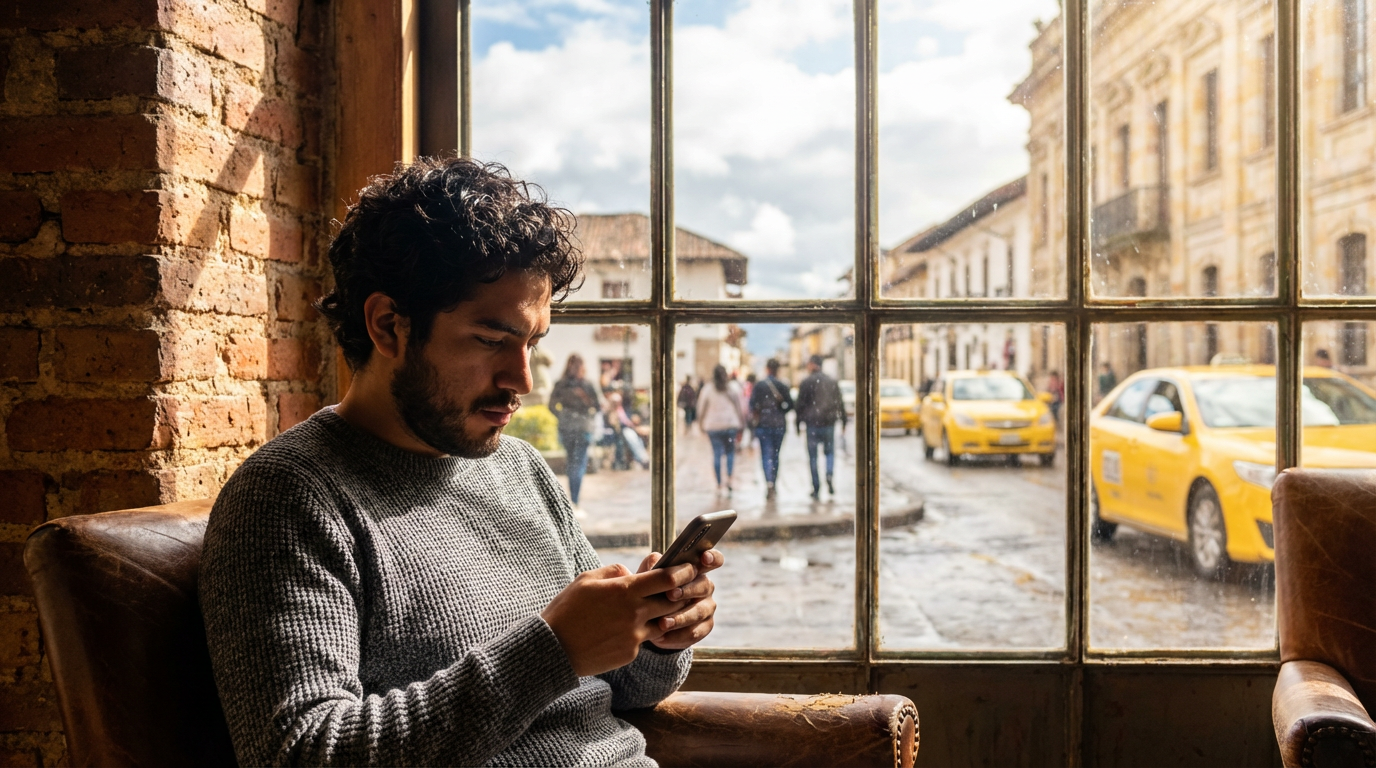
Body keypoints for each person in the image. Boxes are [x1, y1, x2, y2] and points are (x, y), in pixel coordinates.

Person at [200, 158, 722, 767]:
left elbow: (623, 690)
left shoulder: (520, 470)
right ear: (388, 326)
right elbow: (302, 753)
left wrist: (657, 632)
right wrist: (553, 650)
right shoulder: (289, 497)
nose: (521, 379)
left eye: (531, 344)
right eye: (491, 340)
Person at [548, 353, 601, 514]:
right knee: (579, 464)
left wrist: (563, 416)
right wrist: (588, 414)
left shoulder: (561, 384)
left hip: (567, 427)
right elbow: (597, 406)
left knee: (572, 463)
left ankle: (573, 500)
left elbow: (551, 406)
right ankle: (575, 500)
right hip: (583, 427)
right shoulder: (587, 384)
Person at [795, 354, 847, 500]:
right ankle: (829, 474)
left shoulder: (806, 382)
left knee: (813, 457)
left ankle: (816, 487)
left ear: (812, 364)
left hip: (812, 424)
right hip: (828, 422)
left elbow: (800, 405)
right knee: (830, 453)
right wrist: (843, 420)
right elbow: (839, 402)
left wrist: (798, 424)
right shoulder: (831, 381)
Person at [748, 359, 794, 500]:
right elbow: (791, 405)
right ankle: (773, 481)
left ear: (767, 369)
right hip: (779, 425)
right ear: (778, 369)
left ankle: (768, 482)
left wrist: (761, 411)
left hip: (763, 424)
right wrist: (780, 411)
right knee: (775, 455)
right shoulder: (782, 385)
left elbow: (752, 405)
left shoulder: (760, 385)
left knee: (766, 455)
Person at [696, 364, 746, 494]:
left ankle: (719, 484)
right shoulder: (732, 389)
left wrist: (701, 423)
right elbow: (739, 407)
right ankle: (729, 479)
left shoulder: (707, 389)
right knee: (730, 453)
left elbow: (701, 409)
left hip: (713, 426)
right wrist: (741, 423)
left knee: (717, 454)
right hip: (730, 425)